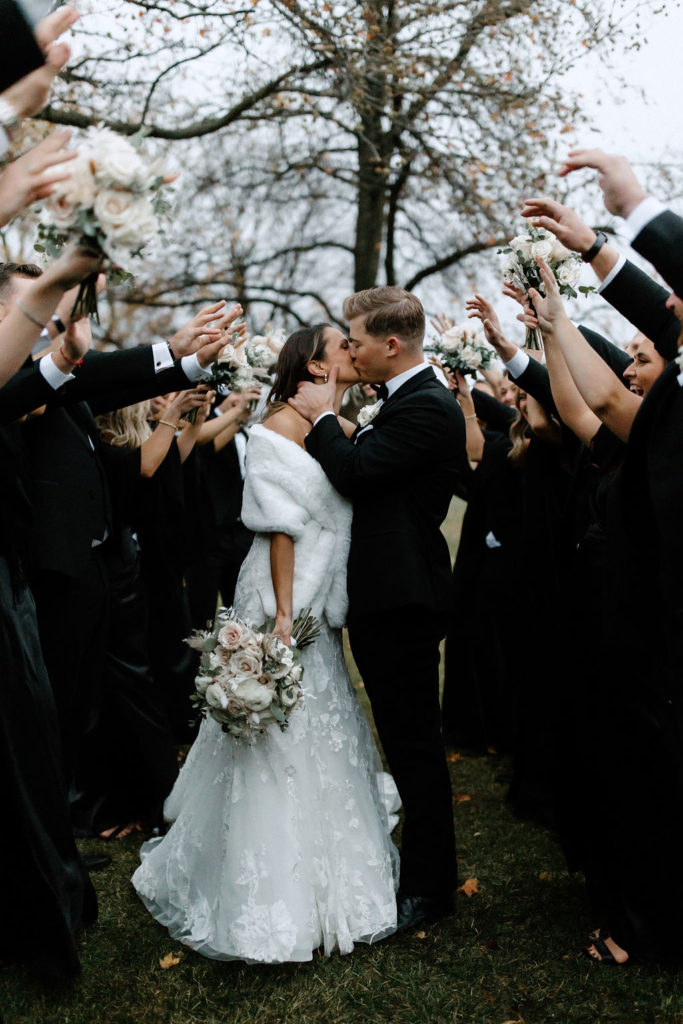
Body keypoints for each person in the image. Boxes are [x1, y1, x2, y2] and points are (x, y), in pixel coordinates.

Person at [132, 323, 400, 963]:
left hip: (318, 587)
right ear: (312, 364)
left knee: (319, 715)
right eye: (340, 346)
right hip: (284, 588)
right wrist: (283, 612)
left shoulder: (324, 417)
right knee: (275, 724)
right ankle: (266, 887)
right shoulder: (278, 425)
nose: (349, 353)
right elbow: (280, 526)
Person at [289, 287, 467, 930]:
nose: (351, 352)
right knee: (405, 740)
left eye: (356, 341)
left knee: (415, 747)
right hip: (386, 597)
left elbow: (359, 472)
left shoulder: (427, 407)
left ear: (391, 345)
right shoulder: (404, 401)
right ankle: (422, 875)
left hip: (403, 599)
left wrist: (318, 421)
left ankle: (429, 890)